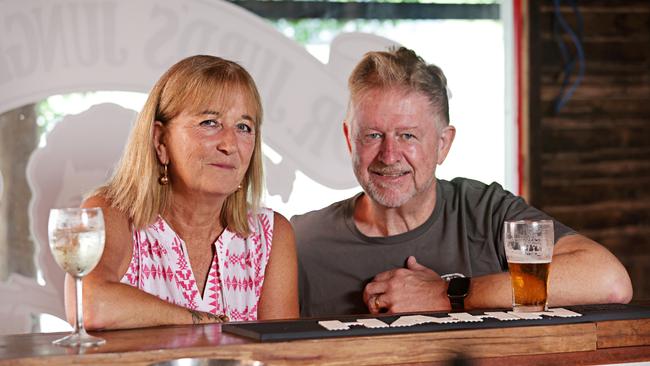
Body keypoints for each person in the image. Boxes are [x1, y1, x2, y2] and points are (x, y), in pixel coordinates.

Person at [292, 47, 633, 317]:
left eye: (408, 135)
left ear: (443, 144)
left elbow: (609, 281)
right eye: (373, 135)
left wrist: (449, 294)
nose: (390, 154)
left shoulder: (485, 212)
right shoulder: (301, 243)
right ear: (350, 138)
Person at [69, 55, 298, 330]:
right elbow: (89, 305)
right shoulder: (112, 213)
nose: (230, 144)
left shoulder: (271, 233)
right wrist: (202, 322)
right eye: (209, 123)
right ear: (160, 140)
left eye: (243, 127)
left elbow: (284, 354)